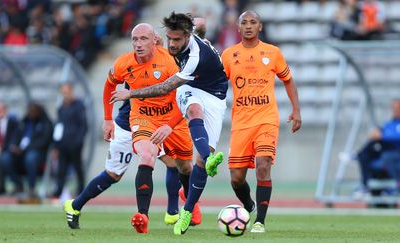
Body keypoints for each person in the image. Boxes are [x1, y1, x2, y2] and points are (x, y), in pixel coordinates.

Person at [64, 23, 194, 234]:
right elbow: (109, 85)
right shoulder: (125, 64)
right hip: (127, 126)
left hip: (156, 122)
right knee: (114, 174)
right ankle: (75, 205)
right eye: (135, 39)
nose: (138, 44)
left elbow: (183, 89)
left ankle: (170, 212)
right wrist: (108, 120)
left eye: (144, 39)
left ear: (154, 40)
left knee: (174, 163)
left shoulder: (168, 60)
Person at [109, 12, 228, 235]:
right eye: (169, 39)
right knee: (192, 111)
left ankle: (188, 208)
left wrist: (130, 93)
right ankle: (147, 213)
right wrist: (198, 23)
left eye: (177, 40)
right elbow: (198, 28)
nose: (172, 44)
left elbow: (164, 88)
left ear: (187, 37)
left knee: (191, 165)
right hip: (186, 92)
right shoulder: (178, 42)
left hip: (214, 96)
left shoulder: (193, 58)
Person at [221, 10, 301, 233]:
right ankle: (249, 206)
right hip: (241, 123)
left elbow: (288, 80)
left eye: (253, 22)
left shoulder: (273, 52)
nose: (248, 26)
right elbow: (217, 85)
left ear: (260, 27)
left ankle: (260, 222)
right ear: (238, 28)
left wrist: (296, 110)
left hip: (266, 119)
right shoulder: (228, 55)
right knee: (236, 179)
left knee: (263, 165)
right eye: (244, 22)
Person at [2, 102, 53, 202]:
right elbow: (15, 137)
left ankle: (31, 188)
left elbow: (44, 142)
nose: (31, 113)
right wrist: (14, 146)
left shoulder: (46, 123)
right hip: (20, 155)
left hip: (38, 154)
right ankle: (18, 185)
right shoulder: (24, 123)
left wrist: (25, 149)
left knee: (31, 157)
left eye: (33, 111)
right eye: (29, 111)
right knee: (5, 158)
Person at [356, 99, 400, 196]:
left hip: (397, 150)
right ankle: (365, 185)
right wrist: (377, 132)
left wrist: (382, 135)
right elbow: (383, 132)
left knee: (386, 155)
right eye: (393, 108)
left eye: (397, 108)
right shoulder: (389, 123)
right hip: (384, 148)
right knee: (366, 152)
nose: (394, 110)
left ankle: (398, 186)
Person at [51, 83, 88, 198]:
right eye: (63, 92)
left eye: (66, 91)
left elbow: (83, 125)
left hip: (75, 143)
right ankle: (59, 190)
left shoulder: (79, 105)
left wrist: (79, 141)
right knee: (61, 168)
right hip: (63, 143)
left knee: (78, 167)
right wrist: (56, 145)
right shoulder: (61, 107)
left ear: (71, 91)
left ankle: (81, 189)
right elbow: (59, 126)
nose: (65, 94)